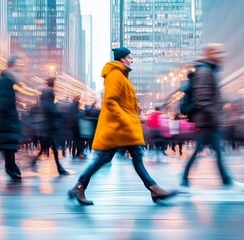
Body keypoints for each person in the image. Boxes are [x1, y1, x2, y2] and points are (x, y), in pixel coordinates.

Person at [68, 47, 178, 205]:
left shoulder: (122, 76)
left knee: (135, 156)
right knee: (105, 158)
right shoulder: (115, 75)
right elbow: (111, 101)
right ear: (121, 59)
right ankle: (79, 187)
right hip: (119, 128)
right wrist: (126, 119)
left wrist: (137, 109)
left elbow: (124, 100)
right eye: (129, 57)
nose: (131, 59)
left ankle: (154, 189)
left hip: (125, 127)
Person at [182, 43, 237, 188]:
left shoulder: (209, 71)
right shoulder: (205, 72)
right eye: (218, 53)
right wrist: (215, 115)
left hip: (208, 119)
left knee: (210, 150)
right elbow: (202, 99)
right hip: (208, 120)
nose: (222, 56)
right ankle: (226, 180)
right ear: (210, 54)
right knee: (216, 150)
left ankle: (185, 178)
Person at [0, 56, 25, 181]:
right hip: (7, 118)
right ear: (11, 65)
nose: (20, 66)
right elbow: (4, 100)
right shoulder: (6, 80)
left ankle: (12, 167)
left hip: (8, 117)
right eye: (18, 63)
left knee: (10, 145)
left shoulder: (9, 80)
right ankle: (10, 168)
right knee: (8, 145)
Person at [31, 77, 69, 175]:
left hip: (48, 124)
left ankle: (35, 161)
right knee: (52, 148)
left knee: (46, 147)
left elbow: (48, 106)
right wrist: (59, 112)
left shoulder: (46, 92)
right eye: (54, 82)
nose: (55, 84)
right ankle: (59, 168)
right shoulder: (48, 92)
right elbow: (49, 107)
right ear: (51, 83)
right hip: (48, 125)